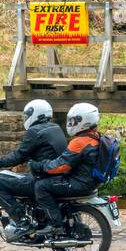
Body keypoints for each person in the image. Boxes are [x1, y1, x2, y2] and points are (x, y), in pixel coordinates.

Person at [0, 98, 66, 239]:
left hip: (44, 179)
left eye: (28, 115)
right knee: (19, 178)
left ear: (36, 114)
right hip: (56, 177)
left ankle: (22, 222)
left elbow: (18, 156)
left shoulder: (35, 132)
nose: (26, 118)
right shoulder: (55, 127)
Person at [31, 102, 103, 240]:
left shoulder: (79, 142)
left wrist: (40, 165)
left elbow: (61, 166)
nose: (70, 123)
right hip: (90, 181)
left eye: (74, 120)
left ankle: (55, 225)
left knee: (41, 186)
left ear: (84, 122)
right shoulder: (95, 136)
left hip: (79, 183)